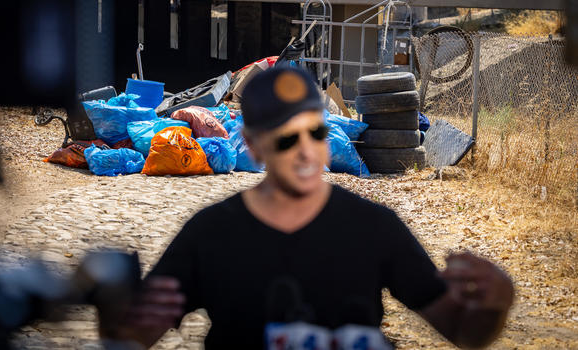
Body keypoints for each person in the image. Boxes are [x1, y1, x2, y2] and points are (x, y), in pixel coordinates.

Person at [110, 66, 514, 349]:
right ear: (251, 144)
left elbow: (461, 331)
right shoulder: (211, 234)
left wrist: (495, 307)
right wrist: (112, 305)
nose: (305, 151)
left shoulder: (374, 228)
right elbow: (136, 334)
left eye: (315, 132)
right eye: (286, 138)